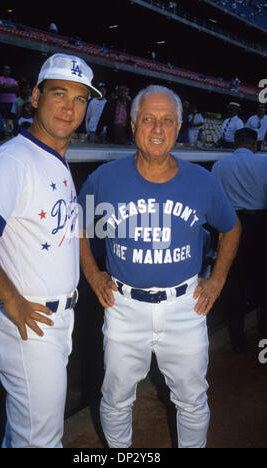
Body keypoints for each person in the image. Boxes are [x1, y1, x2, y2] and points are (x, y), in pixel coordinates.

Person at [79, 85, 241, 449]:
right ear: (133, 126)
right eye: (148, 119)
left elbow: (231, 227)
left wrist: (216, 281)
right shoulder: (104, 179)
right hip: (123, 307)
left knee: (192, 399)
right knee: (117, 397)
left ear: (179, 127)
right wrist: (92, 273)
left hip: (185, 306)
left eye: (167, 120)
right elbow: (79, 226)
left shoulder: (202, 181)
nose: (157, 129)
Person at [0, 53, 101, 448]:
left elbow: (69, 229)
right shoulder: (14, 159)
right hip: (30, 322)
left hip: (55, 320)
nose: (69, 107)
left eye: (80, 99)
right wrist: (10, 298)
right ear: (36, 97)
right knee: (41, 441)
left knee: (24, 433)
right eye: (59, 93)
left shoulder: (56, 159)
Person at [212, 128, 267, 352]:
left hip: (231, 225)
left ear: (235, 143)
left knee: (234, 282)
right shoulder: (264, 162)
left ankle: (237, 341)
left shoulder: (219, 165)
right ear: (255, 144)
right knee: (264, 283)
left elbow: (215, 201)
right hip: (260, 224)